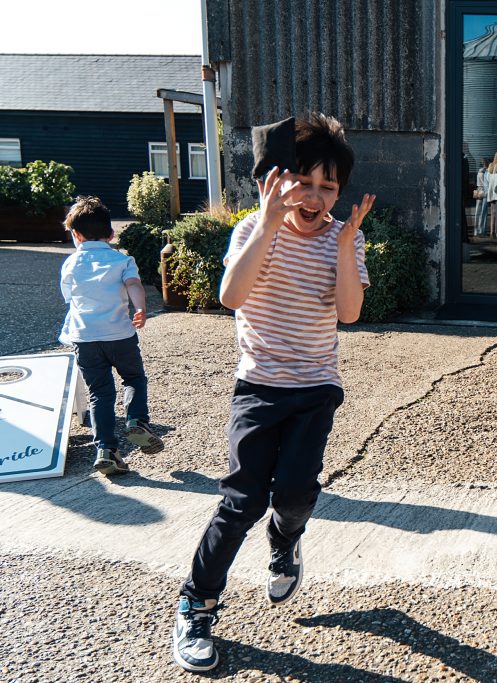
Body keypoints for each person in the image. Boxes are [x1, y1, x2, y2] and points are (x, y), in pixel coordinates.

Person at [171, 113, 374, 673]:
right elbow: (232, 296)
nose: (314, 197)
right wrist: (264, 225)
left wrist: (346, 243)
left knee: (294, 496)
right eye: (303, 182)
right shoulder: (251, 230)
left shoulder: (341, 237)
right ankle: (196, 604)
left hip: (315, 387)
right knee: (241, 502)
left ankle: (285, 540)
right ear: (274, 180)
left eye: (327, 186)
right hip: (259, 386)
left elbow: (350, 314)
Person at [59, 195, 164, 476]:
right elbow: (133, 285)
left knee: (99, 394)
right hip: (120, 334)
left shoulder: (70, 265)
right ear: (111, 233)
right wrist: (140, 308)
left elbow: (68, 298)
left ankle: (106, 450)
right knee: (133, 378)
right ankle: (136, 421)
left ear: (76, 235)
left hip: (85, 338)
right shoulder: (121, 260)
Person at [473, 162, 489, 237]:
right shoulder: (486, 172)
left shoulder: (479, 172)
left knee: (477, 211)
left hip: (478, 189)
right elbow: (486, 183)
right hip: (484, 190)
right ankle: (482, 230)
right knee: (483, 211)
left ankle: (475, 231)